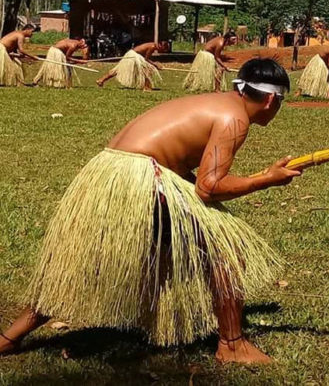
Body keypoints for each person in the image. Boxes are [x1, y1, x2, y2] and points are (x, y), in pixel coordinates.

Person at [0, 58, 300, 365]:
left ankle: (9, 337)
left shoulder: (217, 102)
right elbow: (209, 187)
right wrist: (266, 179)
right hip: (142, 178)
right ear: (270, 99)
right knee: (225, 252)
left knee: (88, 264)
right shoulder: (234, 119)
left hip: (110, 169)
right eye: (281, 102)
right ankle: (232, 345)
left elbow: (180, 162)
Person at [96, 40, 170, 91]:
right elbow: (146, 59)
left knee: (118, 69)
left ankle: (101, 80)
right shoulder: (152, 47)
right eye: (164, 49)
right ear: (161, 46)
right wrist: (155, 65)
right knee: (146, 69)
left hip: (134, 55)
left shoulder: (152, 45)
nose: (163, 51)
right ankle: (146, 87)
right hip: (133, 56)